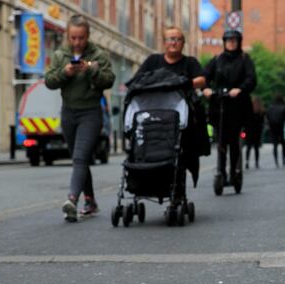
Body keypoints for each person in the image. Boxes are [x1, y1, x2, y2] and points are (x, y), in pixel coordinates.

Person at [45, 15, 115, 222]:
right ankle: (91, 201)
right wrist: (65, 73)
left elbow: (109, 80)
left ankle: (72, 200)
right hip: (68, 113)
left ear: (88, 36)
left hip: (91, 112)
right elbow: (49, 81)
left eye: (81, 38)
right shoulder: (60, 55)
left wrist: (92, 71)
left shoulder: (99, 55)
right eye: (73, 38)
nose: (77, 42)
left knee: (80, 158)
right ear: (68, 36)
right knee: (80, 160)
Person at [129, 26, 210, 189]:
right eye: (170, 39)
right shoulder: (153, 61)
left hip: (179, 118)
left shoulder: (190, 62)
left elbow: (202, 80)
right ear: (164, 42)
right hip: (152, 116)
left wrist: (184, 84)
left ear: (183, 43)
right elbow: (138, 79)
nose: (174, 42)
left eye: (178, 39)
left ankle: (178, 183)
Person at [202, 29, 257, 186]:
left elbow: (251, 79)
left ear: (239, 42)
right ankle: (221, 170)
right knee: (220, 141)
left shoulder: (245, 59)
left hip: (237, 107)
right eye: (228, 40)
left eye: (234, 40)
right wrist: (205, 88)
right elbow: (204, 75)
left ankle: (234, 171)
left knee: (234, 142)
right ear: (224, 42)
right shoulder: (217, 59)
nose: (231, 43)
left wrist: (240, 89)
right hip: (219, 106)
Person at [266, 94, 285, 167]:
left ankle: (276, 161)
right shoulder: (284, 107)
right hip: (281, 127)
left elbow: (267, 117)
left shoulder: (270, 107)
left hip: (273, 128)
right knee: (283, 145)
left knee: (275, 145)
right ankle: (283, 159)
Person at [244, 96, 265, 169]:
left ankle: (247, 161)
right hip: (257, 132)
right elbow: (262, 123)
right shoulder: (261, 112)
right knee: (256, 148)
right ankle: (256, 162)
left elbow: (246, 121)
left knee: (249, 147)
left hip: (249, 131)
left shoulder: (249, 110)